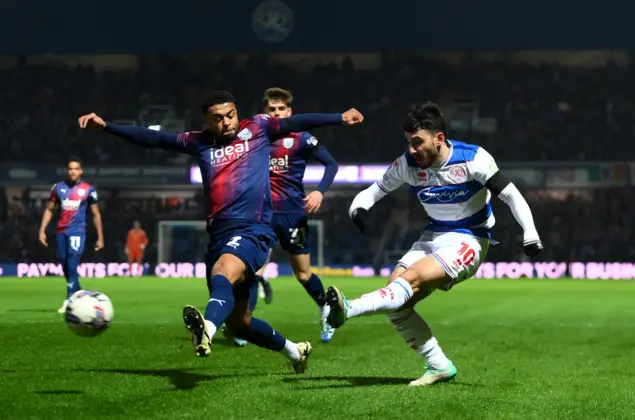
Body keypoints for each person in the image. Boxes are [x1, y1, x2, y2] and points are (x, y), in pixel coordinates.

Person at [78, 91, 363, 373]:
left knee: (223, 273)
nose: (227, 122)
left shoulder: (258, 128)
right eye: (218, 118)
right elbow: (155, 138)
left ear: (237, 112)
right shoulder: (198, 142)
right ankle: (294, 351)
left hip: (254, 229)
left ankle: (208, 331)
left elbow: (300, 121)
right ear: (207, 120)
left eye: (231, 115)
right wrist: (107, 128)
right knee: (241, 323)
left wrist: (339, 117)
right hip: (218, 234)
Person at [326, 102, 543, 385]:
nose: (412, 149)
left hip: (470, 237)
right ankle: (439, 366)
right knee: (397, 301)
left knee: (411, 279)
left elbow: (511, 195)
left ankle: (348, 308)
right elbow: (373, 191)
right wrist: (359, 209)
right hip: (432, 236)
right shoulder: (408, 164)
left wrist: (530, 233)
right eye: (408, 142)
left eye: (418, 142)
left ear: (438, 138)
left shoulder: (473, 158)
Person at [256, 87, 340, 342]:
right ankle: (241, 324)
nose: (277, 113)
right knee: (252, 269)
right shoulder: (256, 136)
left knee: (302, 273)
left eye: (281, 109)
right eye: (272, 109)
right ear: (265, 112)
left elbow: (331, 164)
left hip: (293, 213)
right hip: (261, 213)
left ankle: (327, 309)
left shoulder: (302, 138)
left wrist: (320, 192)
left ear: (289, 111)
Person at [38, 158, 104, 313]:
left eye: (76, 168)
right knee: (65, 264)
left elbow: (96, 214)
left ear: (81, 171)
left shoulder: (88, 189)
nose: (73, 171)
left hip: (78, 230)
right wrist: (42, 230)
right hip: (61, 231)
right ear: (67, 171)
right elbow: (49, 210)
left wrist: (100, 237)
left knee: (73, 258)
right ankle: (82, 295)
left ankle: (69, 300)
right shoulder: (58, 188)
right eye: (70, 169)